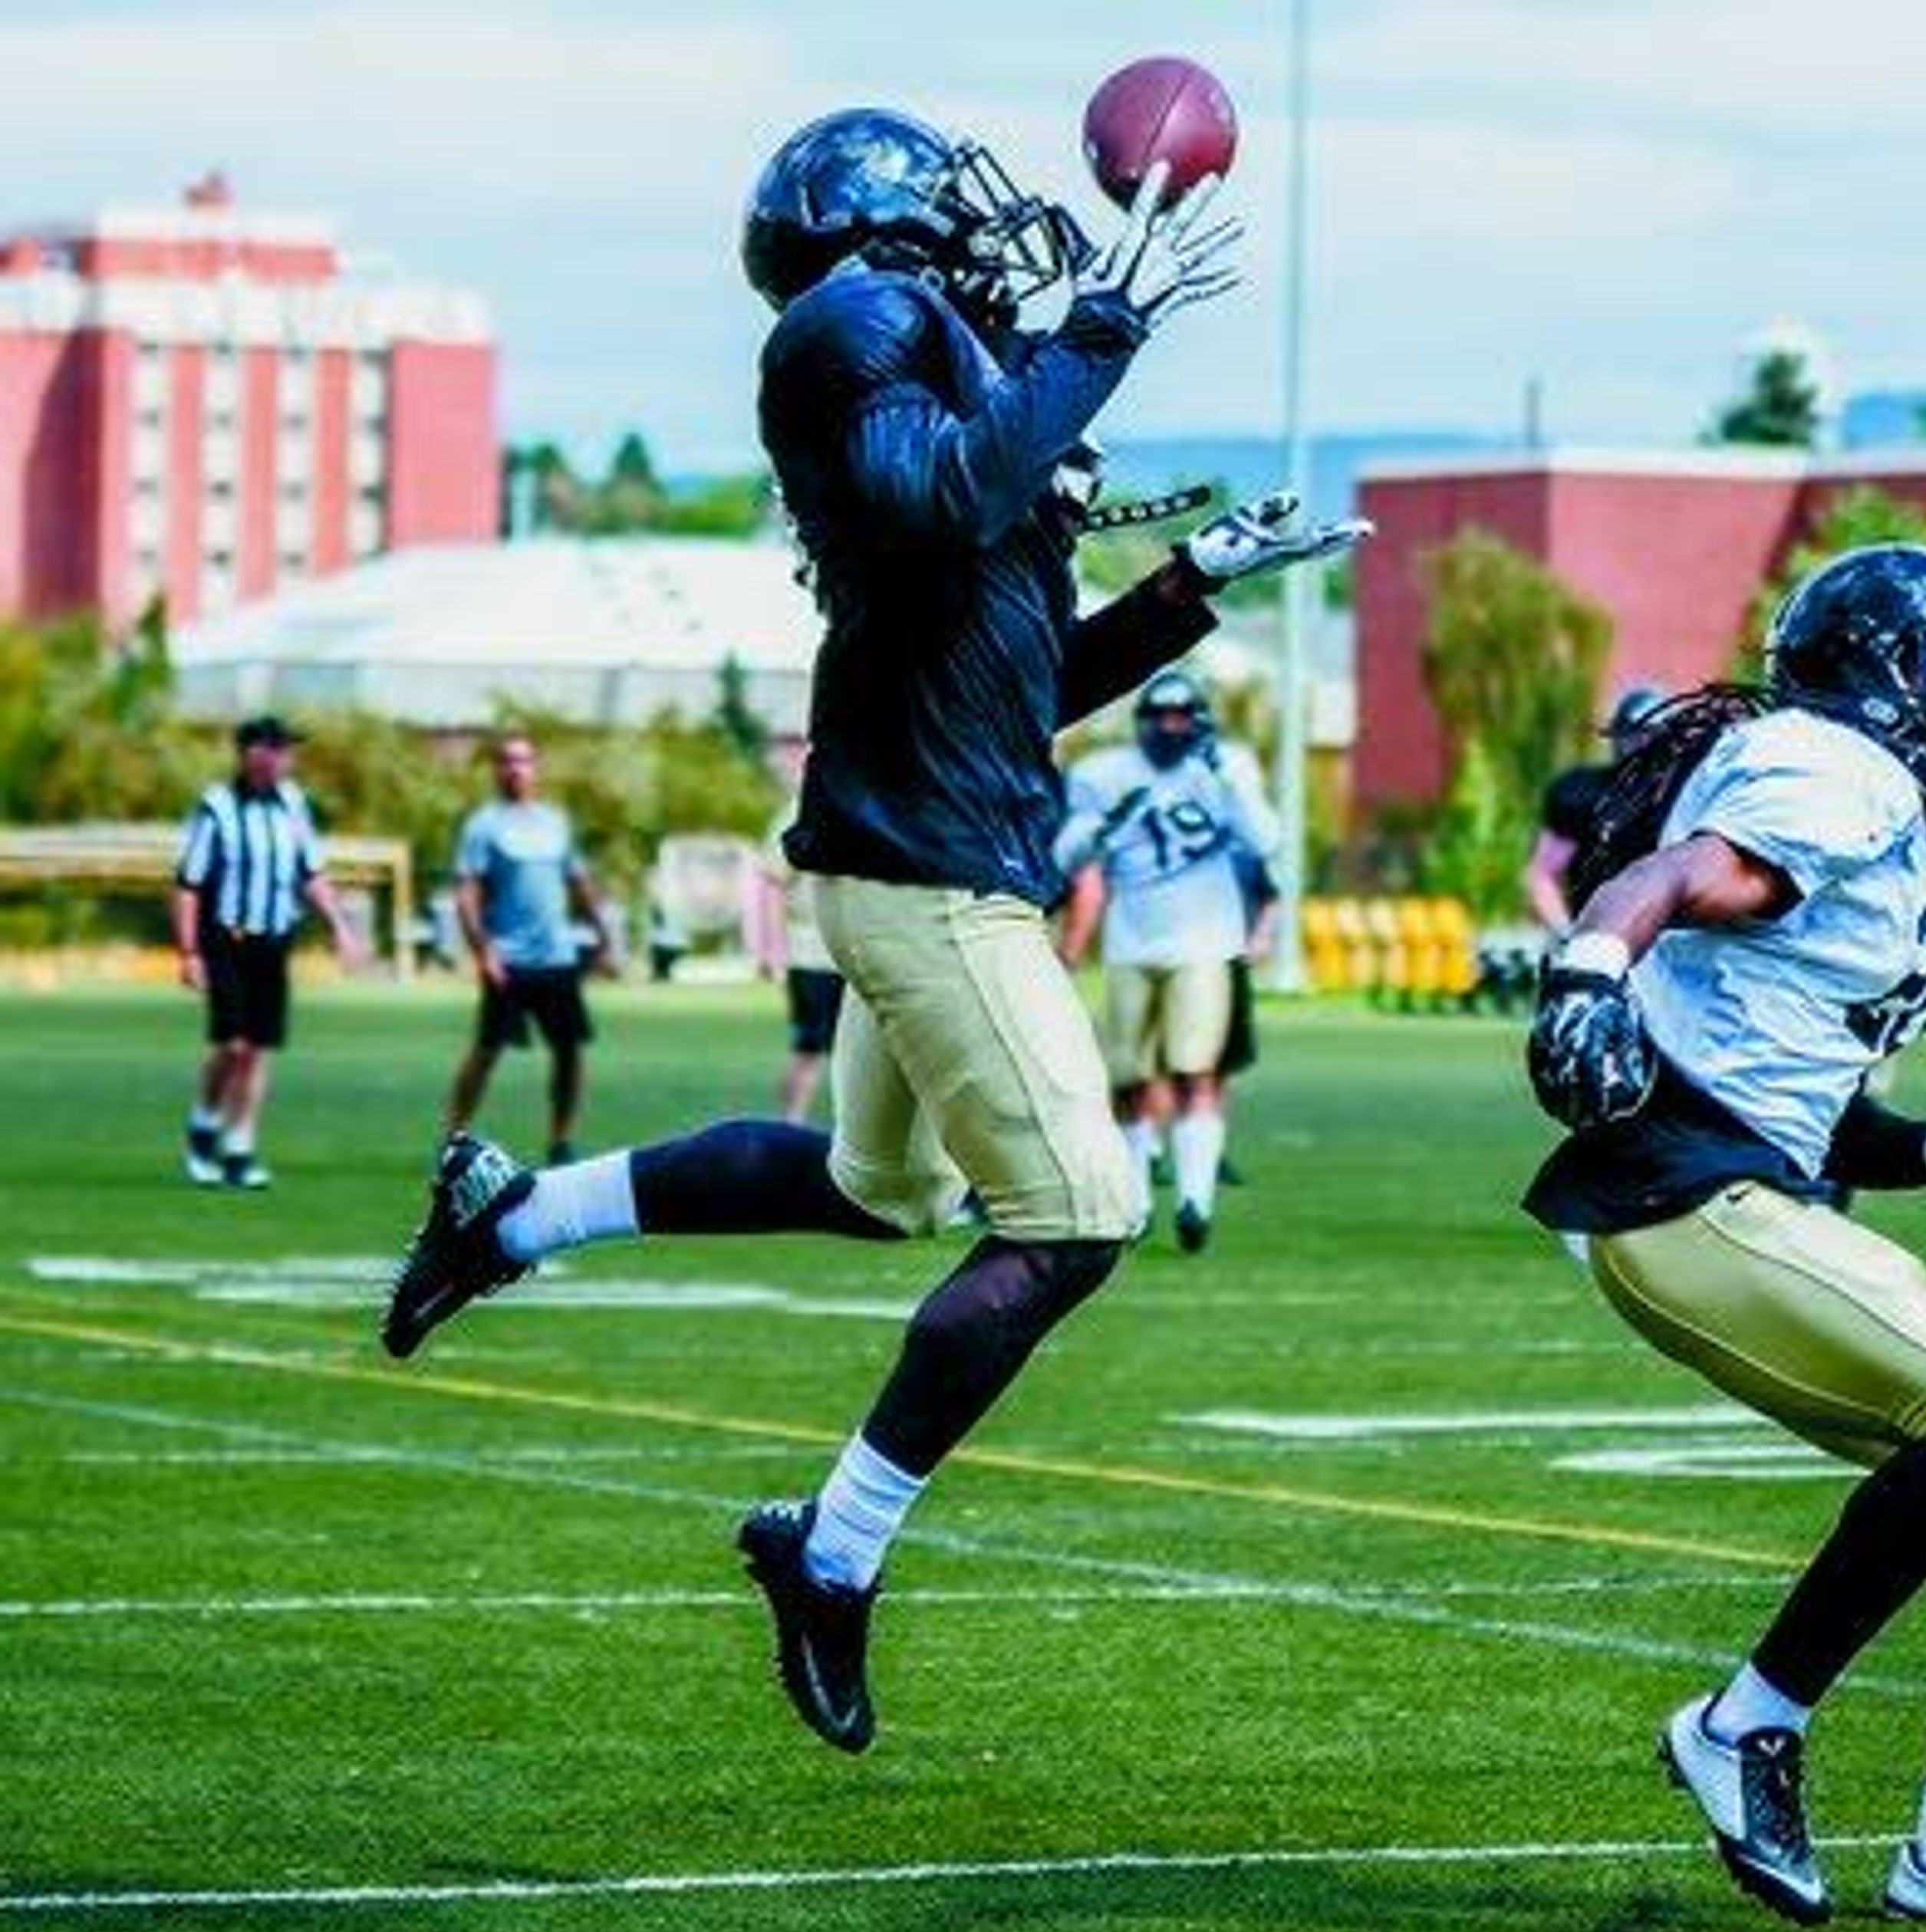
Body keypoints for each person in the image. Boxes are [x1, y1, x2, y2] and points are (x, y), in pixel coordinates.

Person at [377, 106, 1362, 1757]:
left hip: (925, 844)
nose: (991, 219)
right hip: (929, 877)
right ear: (870, 222)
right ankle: (831, 1551)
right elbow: (942, 497)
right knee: (1079, 1215)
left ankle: (514, 1216)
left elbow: (1028, 683)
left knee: (869, 1188)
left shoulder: (932, 367)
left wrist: (1195, 581)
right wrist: (1102, 329)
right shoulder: (850, 327)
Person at [1526, 543, 1926, 1928]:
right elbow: (1681, 878)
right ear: (1868, 675)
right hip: (1678, 1193)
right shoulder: (1829, 766)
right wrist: (1585, 974)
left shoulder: (1900, 839)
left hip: (1742, 1180)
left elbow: (1808, 1110)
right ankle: (1743, 1724)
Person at [1054, 667, 1279, 1252]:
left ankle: (1194, 1201)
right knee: (1128, 1082)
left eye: (1182, 717)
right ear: (1141, 723)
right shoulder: (1103, 775)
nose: (1170, 728)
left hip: (1206, 942)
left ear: (1200, 723)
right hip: (1133, 945)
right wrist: (1103, 829)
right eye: (1159, 717)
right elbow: (1066, 855)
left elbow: (1266, 841)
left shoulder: (1227, 767)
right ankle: (1134, 1205)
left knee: (1195, 1072)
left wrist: (1226, 776)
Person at [170, 714, 368, 1189]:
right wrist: (188, 951)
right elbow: (188, 883)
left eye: (288, 749)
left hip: (274, 940)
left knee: (257, 1050)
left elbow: (311, 872)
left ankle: (239, 1148)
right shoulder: (216, 806)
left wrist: (341, 927)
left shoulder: (293, 804)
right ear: (252, 753)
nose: (286, 758)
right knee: (233, 1045)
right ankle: (204, 1125)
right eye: (278, 748)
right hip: (227, 937)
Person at [440, 732, 621, 1167]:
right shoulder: (483, 825)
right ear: (496, 770)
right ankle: (453, 1140)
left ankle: (561, 1141)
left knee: (570, 1051)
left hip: (557, 957)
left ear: (535, 769)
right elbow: (466, 894)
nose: (515, 769)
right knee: (486, 1051)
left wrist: (603, 935)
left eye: (523, 761)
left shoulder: (555, 822)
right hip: (508, 959)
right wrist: (483, 952)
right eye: (506, 761)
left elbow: (577, 881)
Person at [1523, 684, 1668, 934]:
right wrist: (1565, 934)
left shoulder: (1691, 794)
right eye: (1637, 734)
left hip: (1672, 946)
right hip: (1598, 937)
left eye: (1653, 735)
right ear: (1617, 735)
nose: (1645, 744)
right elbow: (1542, 875)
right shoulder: (1582, 794)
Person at [750, 772, 842, 1125]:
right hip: (812, 956)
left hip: (863, 959)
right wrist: (772, 950)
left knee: (857, 1057)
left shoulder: (881, 796)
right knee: (809, 1050)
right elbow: (773, 879)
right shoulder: (803, 807)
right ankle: (791, 1125)